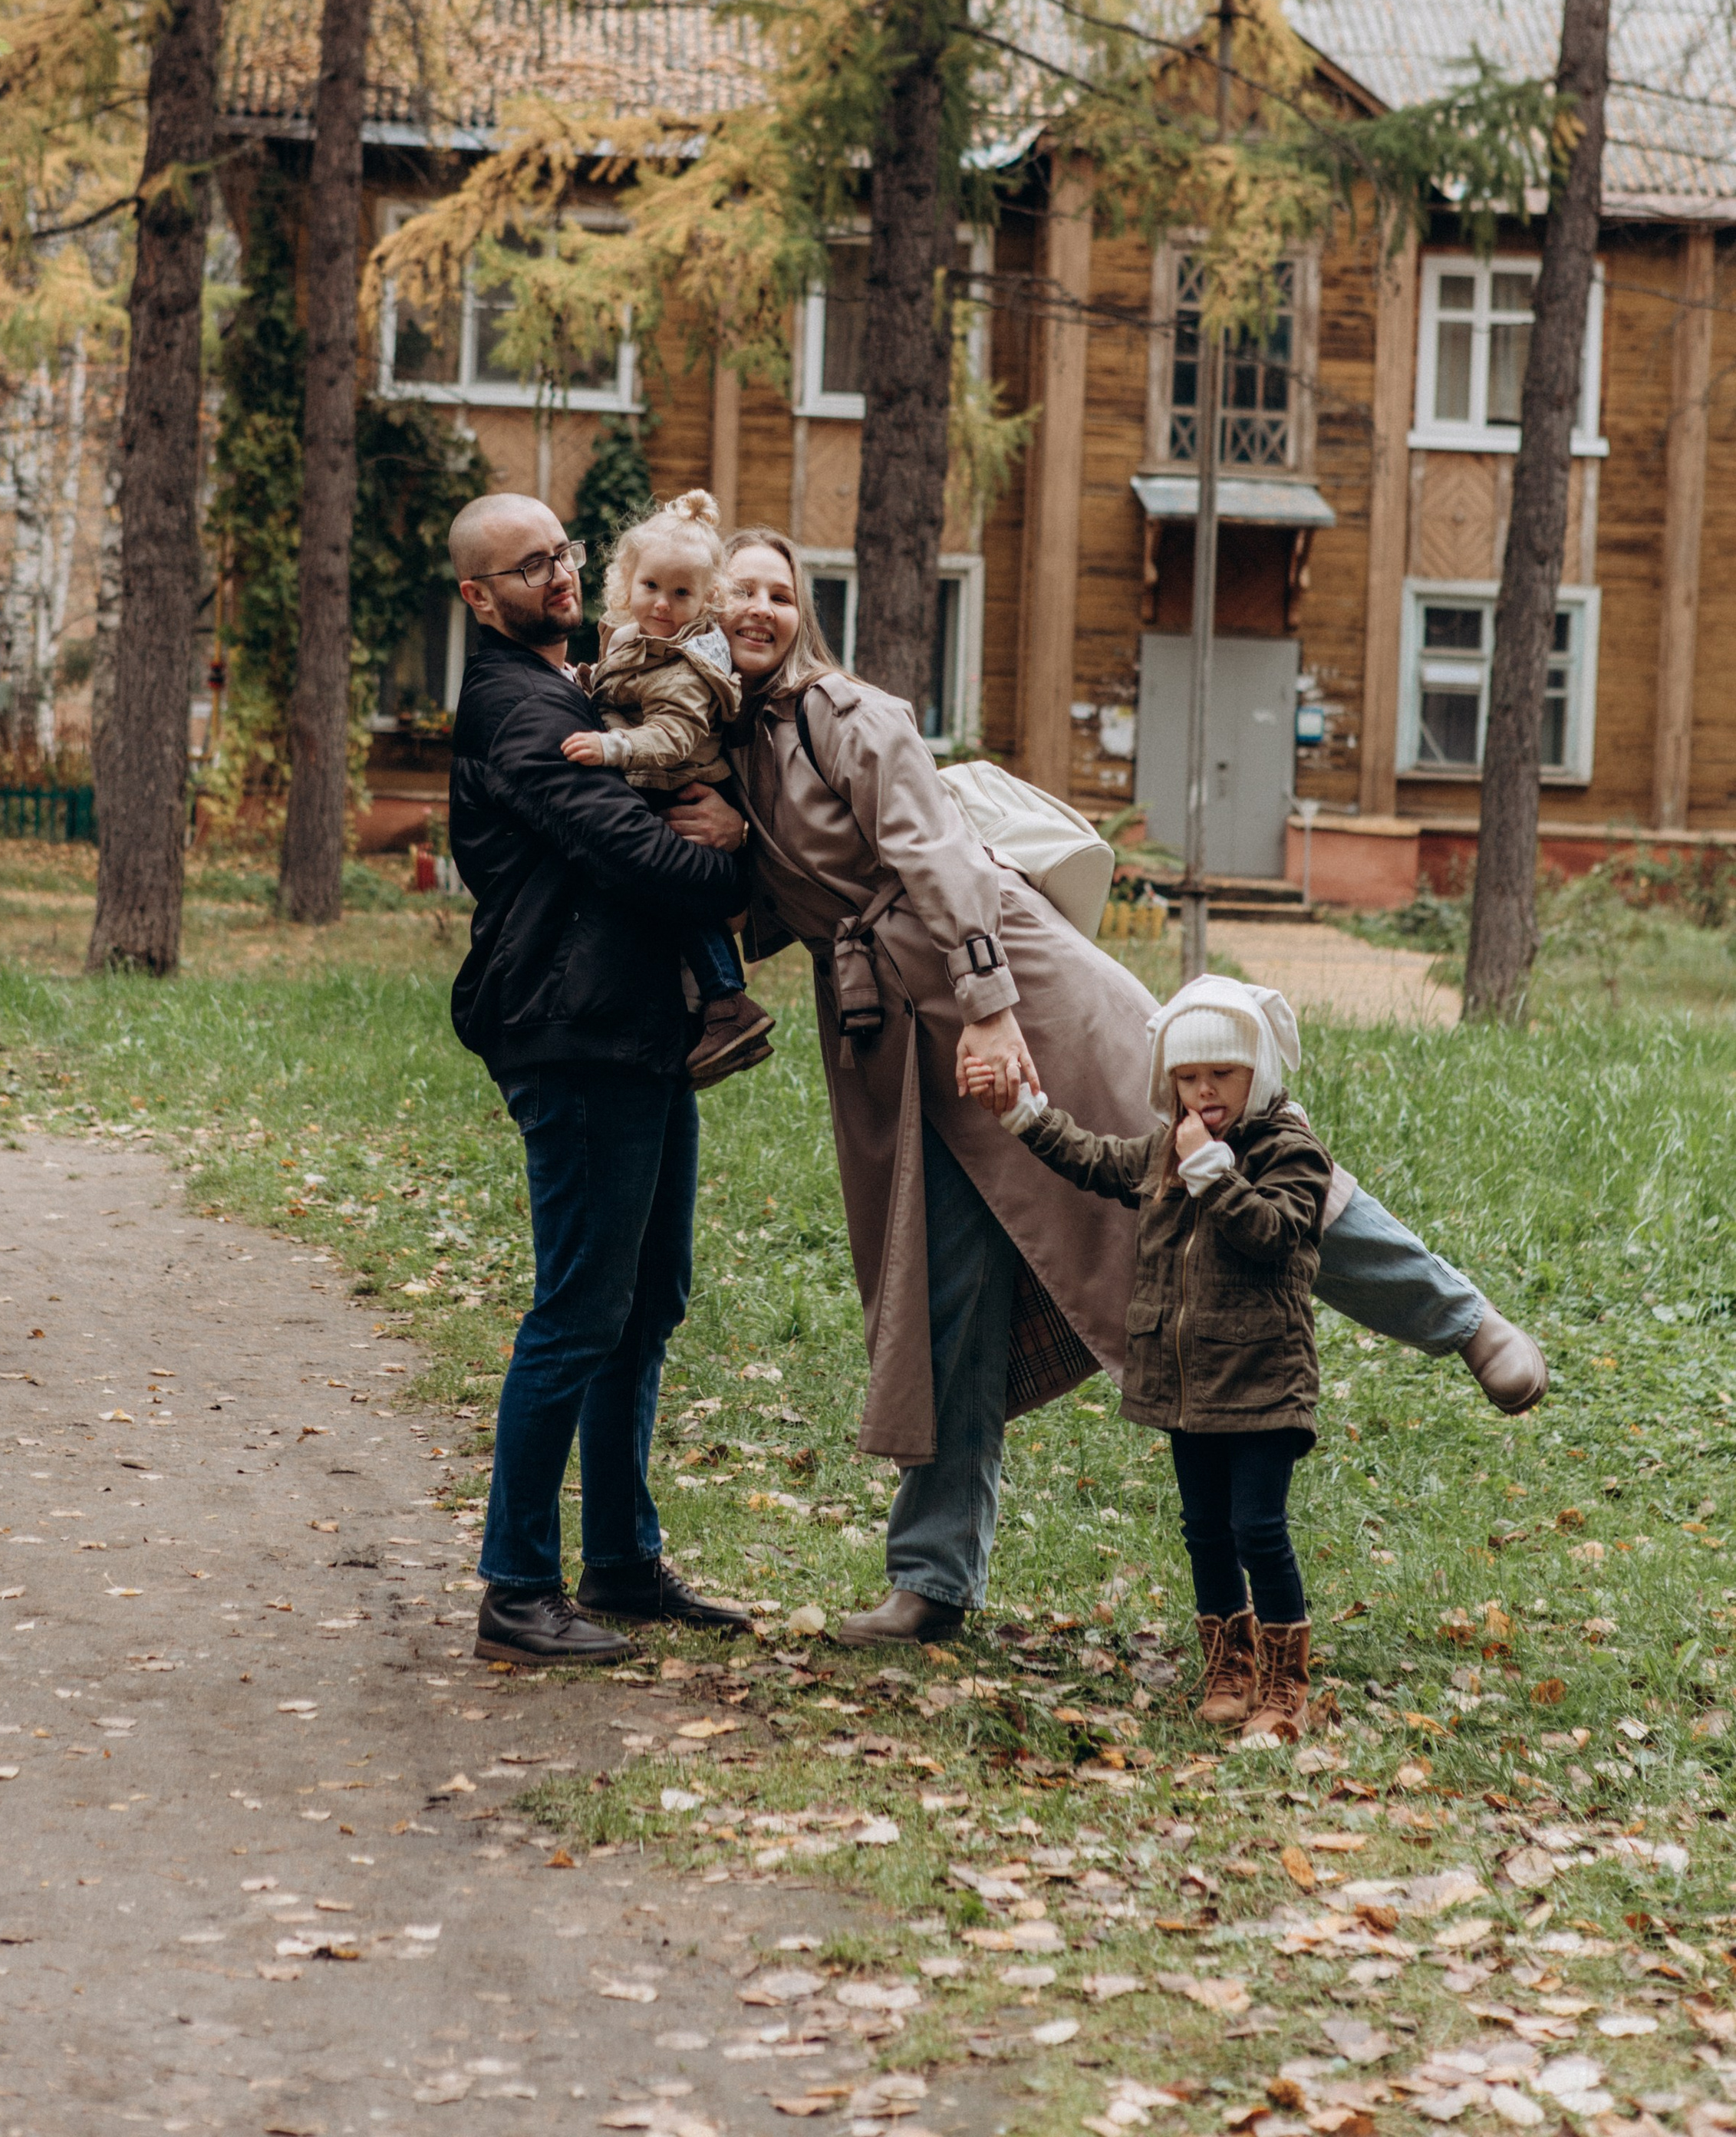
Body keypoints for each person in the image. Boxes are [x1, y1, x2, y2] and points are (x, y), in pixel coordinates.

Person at [663, 528, 1545, 1648]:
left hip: (1012, 979)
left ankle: (1463, 1321)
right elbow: (794, 905)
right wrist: (740, 852)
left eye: (779, 592)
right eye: (735, 592)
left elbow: (934, 853)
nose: (758, 609)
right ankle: (933, 1579)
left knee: (1224, 1154)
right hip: (897, 1046)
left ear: (803, 614)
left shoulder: (847, 712)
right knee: (948, 1295)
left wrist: (987, 1003)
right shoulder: (721, 748)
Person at [447, 490, 756, 1664]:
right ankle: (517, 1588)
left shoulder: (587, 682)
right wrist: (732, 854)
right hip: (569, 1031)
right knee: (579, 1311)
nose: (560, 576)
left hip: (637, 1030)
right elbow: (626, 849)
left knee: (647, 1302)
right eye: (531, 566)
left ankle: (621, 1561)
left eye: (565, 553)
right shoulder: (518, 709)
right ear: (481, 596)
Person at [973, 974, 1331, 1740]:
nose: (1203, 1091)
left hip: (1263, 1380)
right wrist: (1022, 1115)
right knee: (1203, 1528)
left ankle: (1282, 1687)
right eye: (1187, 1076)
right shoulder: (1170, 1147)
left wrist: (1210, 1172)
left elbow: (1272, 1233)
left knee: (1256, 1529)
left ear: (1256, 1072)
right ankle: (1228, 1666)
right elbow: (1097, 1161)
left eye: (1221, 1075)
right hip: (1187, 1384)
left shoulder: (1290, 1152)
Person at [559, 487, 775, 1087]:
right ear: (627, 583)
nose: (661, 603)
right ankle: (709, 1008)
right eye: (651, 586)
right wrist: (580, 680)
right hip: (654, 781)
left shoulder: (687, 667)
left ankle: (727, 1003)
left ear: (707, 601)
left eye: (681, 594)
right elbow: (616, 681)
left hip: (679, 784)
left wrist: (613, 747)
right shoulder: (631, 637)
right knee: (665, 895)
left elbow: (674, 739)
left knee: (679, 891)